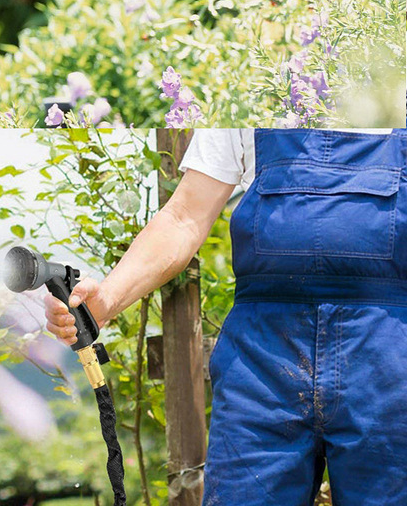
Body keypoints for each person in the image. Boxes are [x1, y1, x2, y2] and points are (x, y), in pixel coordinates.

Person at [45, 128, 407, 505]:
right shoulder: (248, 90)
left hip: (388, 361)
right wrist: (106, 298)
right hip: (262, 365)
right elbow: (184, 217)